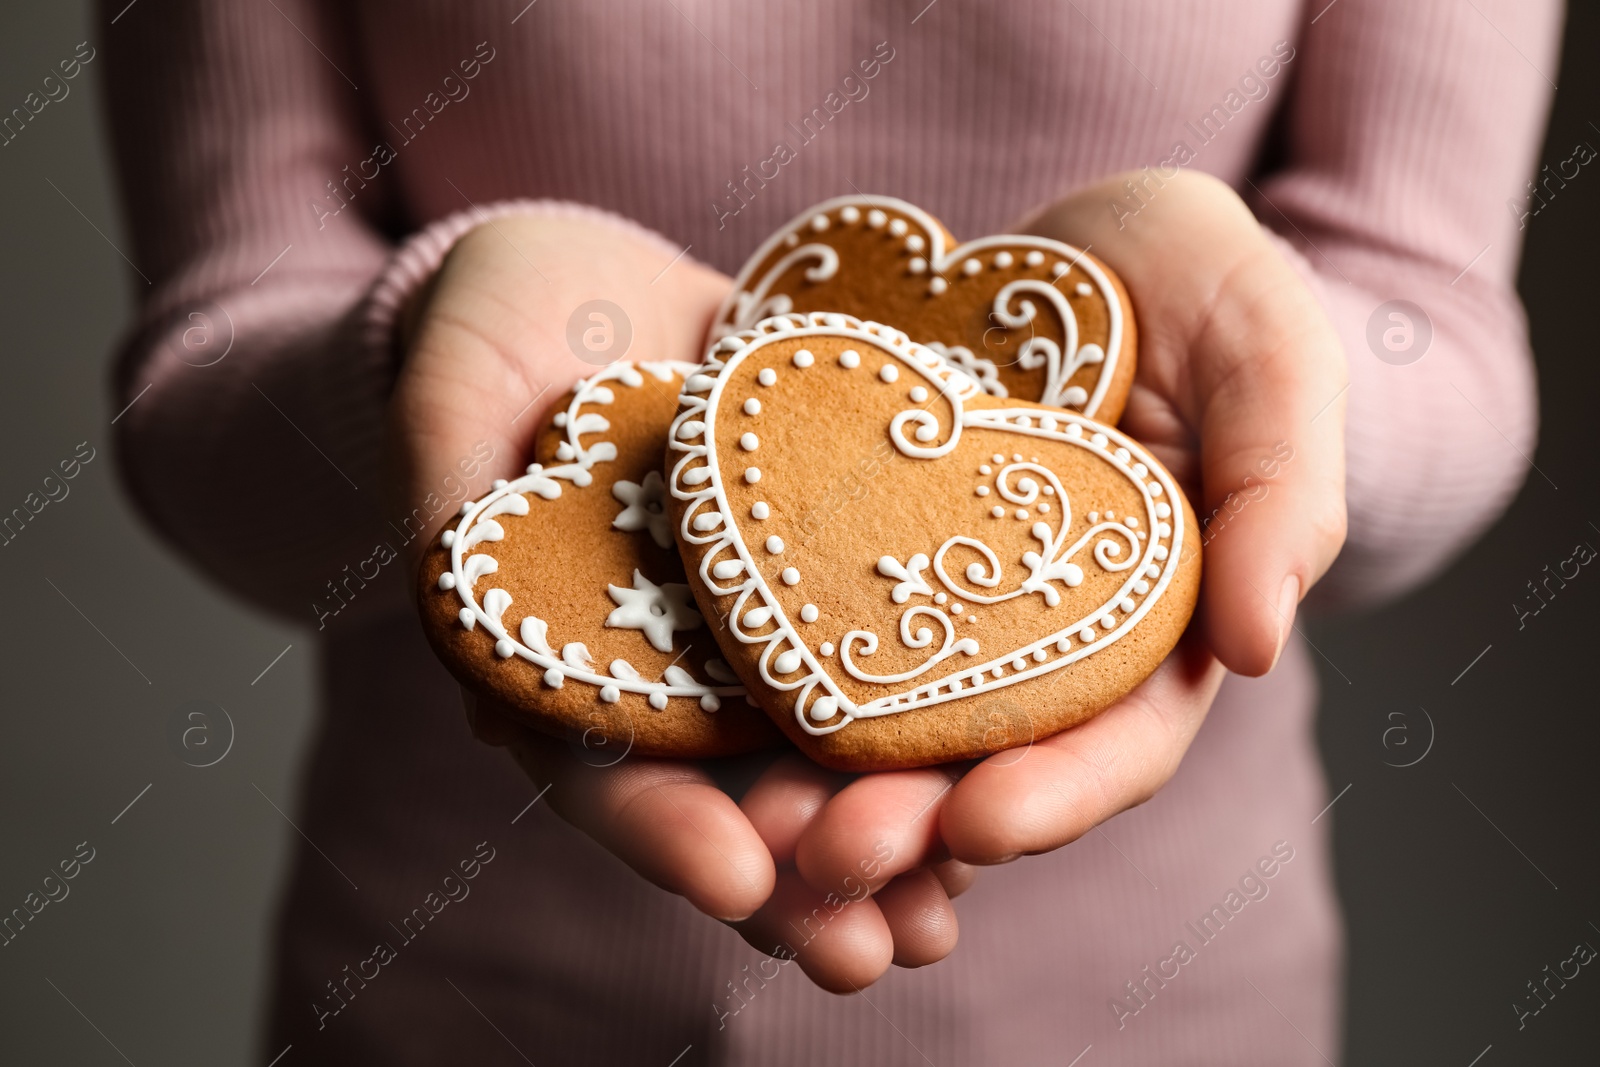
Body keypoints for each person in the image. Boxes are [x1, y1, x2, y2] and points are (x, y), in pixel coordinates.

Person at [100, 1, 1556, 1062]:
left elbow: (1441, 324)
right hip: (457, 992)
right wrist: (413, 357)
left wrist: (1273, 401)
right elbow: (201, 375)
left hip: (1158, 1012)